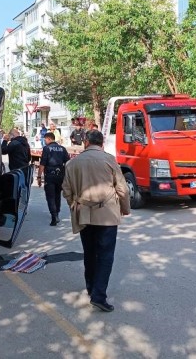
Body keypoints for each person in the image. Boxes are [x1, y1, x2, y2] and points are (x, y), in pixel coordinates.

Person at [62, 130, 131, 312]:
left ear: (85, 142)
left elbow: (67, 191)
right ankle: (99, 295)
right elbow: (122, 189)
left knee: (89, 253)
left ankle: (91, 288)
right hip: (107, 215)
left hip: (84, 214)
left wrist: (75, 206)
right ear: (102, 143)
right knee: (105, 255)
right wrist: (125, 209)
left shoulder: (72, 163)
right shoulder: (109, 160)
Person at [37, 132, 71, 226]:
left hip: (50, 175)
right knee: (57, 194)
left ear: (48, 139)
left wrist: (39, 177)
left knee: (50, 196)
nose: (45, 141)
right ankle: (57, 213)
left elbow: (42, 164)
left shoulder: (46, 149)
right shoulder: (62, 148)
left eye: (45, 139)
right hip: (60, 175)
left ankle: (54, 216)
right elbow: (68, 163)